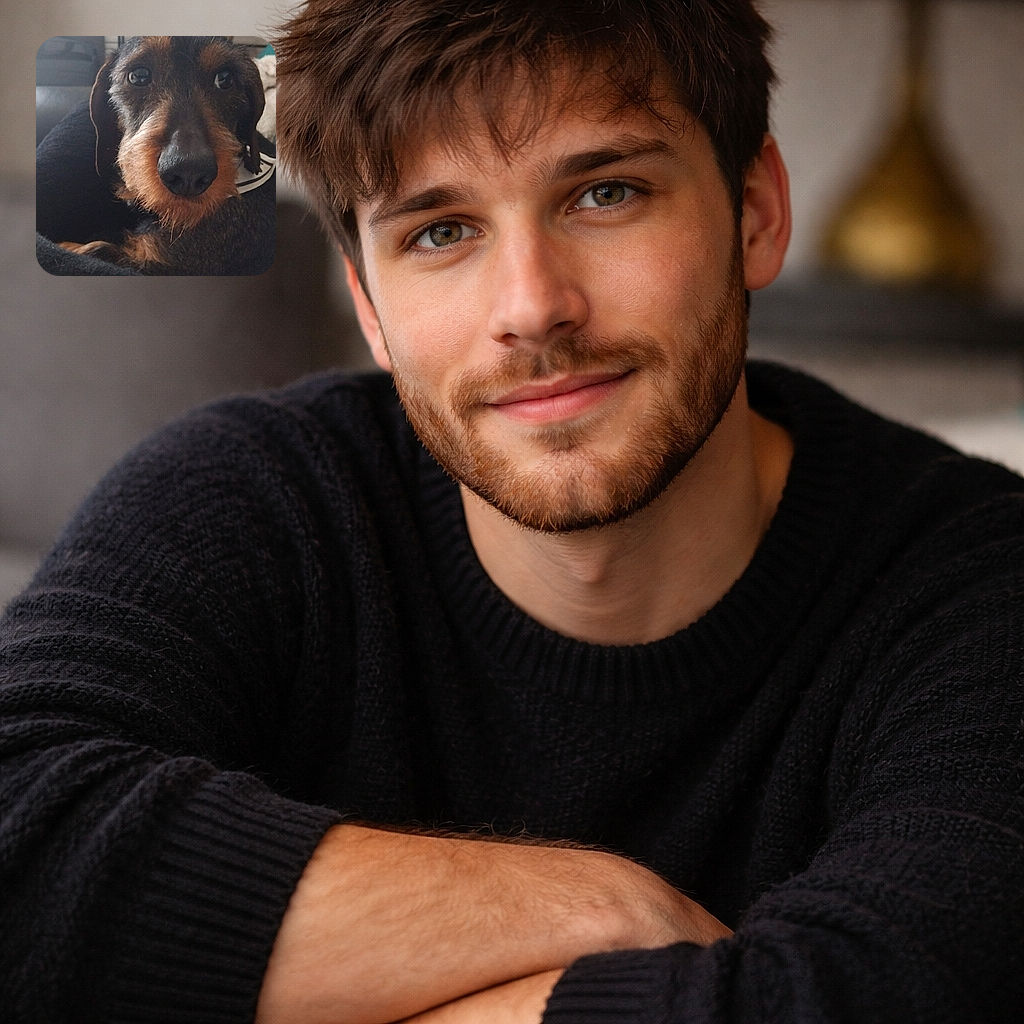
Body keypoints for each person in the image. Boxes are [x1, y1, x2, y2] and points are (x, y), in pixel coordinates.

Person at [2, 1, 1023, 1021]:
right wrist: (613, 911)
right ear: (368, 305)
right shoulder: (250, 491)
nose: (531, 307)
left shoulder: (974, 579)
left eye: (605, 193)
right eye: (440, 231)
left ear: (754, 213)